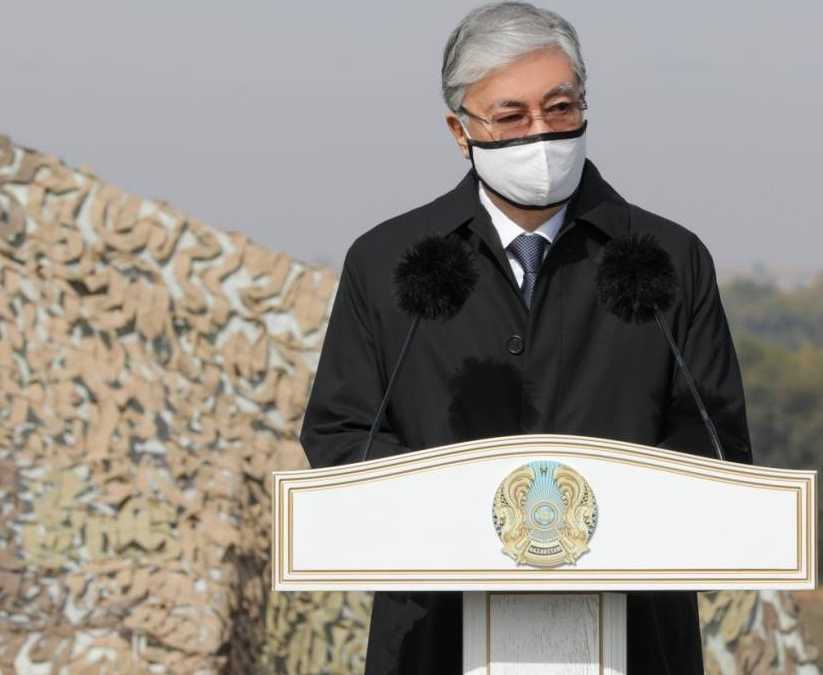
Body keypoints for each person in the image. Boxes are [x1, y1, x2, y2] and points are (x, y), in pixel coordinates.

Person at [299, 3, 753, 673]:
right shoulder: (387, 261)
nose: (540, 132)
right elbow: (342, 434)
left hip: (633, 637)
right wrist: (470, 517)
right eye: (511, 116)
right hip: (435, 636)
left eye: (559, 108)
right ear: (460, 131)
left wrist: (587, 523)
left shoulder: (668, 258)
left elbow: (714, 444)